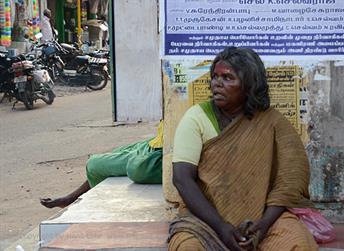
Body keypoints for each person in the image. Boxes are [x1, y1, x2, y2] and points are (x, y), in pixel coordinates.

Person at [168, 47, 318, 251]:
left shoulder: (271, 121)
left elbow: (289, 182)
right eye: (215, 77)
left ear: (248, 85)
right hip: (205, 220)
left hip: (262, 218)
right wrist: (221, 227)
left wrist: (263, 226)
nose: (217, 83)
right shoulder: (196, 118)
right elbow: (182, 179)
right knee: (187, 247)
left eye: (228, 78)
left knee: (298, 244)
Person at [40, 121, 163, 208]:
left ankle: (71, 198)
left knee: (94, 164)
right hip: (154, 143)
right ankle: (71, 198)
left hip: (158, 150)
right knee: (113, 155)